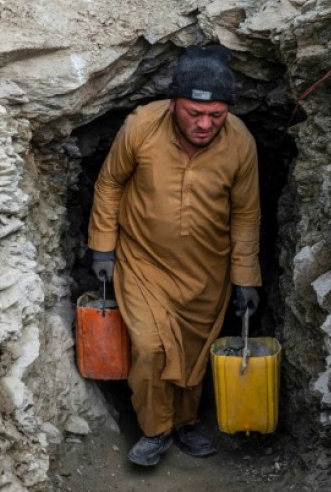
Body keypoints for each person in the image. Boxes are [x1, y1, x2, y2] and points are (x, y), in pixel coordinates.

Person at [87, 44, 262, 466]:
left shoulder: (240, 143)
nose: (204, 124)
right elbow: (110, 184)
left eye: (216, 116)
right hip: (142, 262)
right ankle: (156, 430)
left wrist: (245, 278)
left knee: (193, 350)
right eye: (193, 113)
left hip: (207, 270)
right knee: (150, 348)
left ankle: (184, 424)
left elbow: (246, 214)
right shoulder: (141, 127)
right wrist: (102, 248)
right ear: (173, 105)